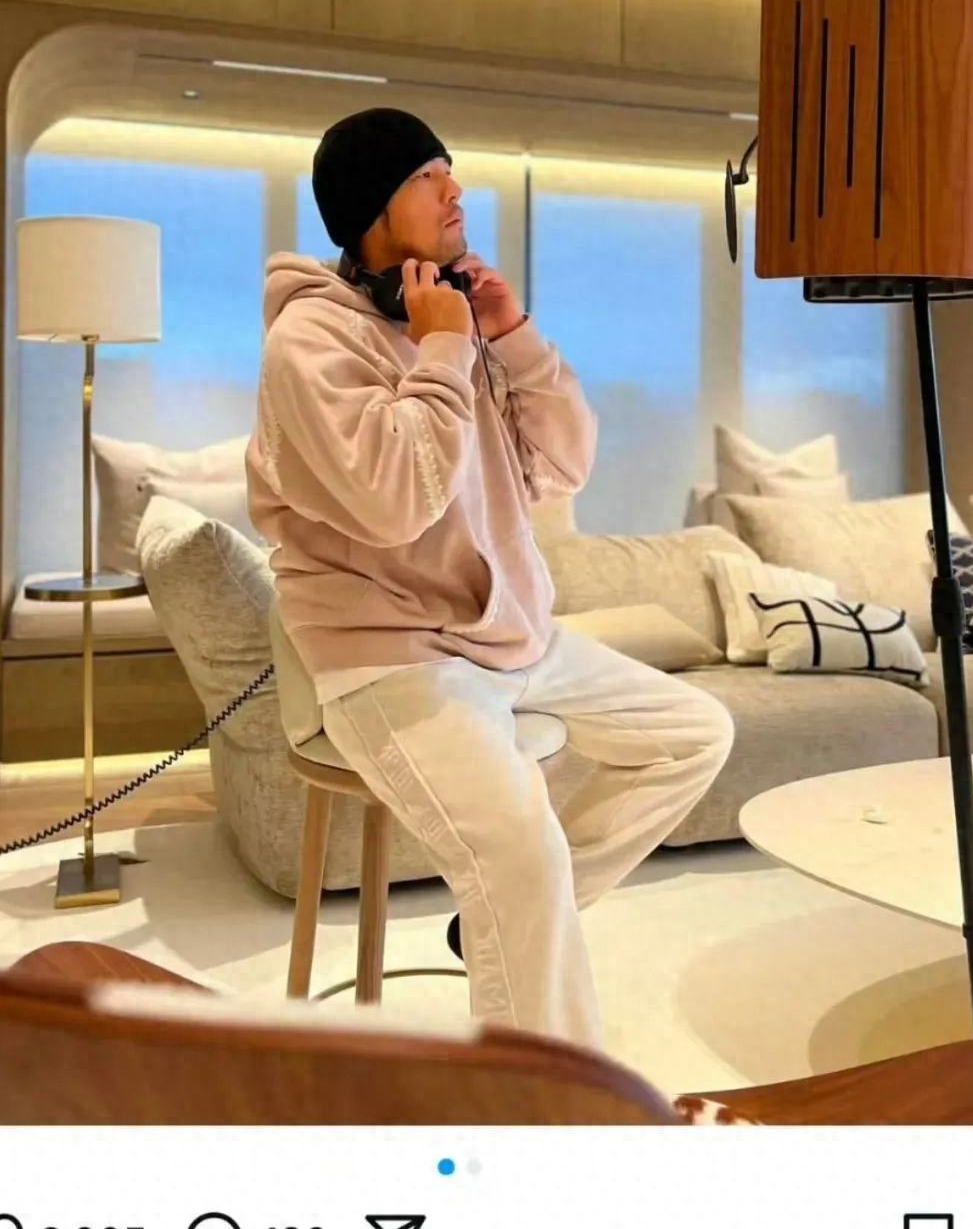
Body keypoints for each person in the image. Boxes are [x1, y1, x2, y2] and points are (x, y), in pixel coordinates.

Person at [246, 107, 733, 1050]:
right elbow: (394, 502)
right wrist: (442, 349)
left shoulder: (457, 318)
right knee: (520, 856)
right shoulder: (309, 343)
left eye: (450, 170)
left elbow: (564, 468)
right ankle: (548, 1104)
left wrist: (509, 336)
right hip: (390, 657)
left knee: (693, 734)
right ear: (373, 207)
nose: (455, 190)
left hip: (510, 637)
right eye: (428, 176)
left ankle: (505, 922)